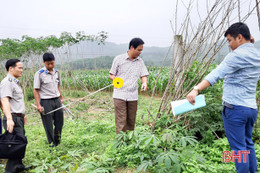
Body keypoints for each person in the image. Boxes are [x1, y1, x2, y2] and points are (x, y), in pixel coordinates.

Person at [186, 22, 259, 173]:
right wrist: (249, 43)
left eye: (230, 40)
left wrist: (196, 89)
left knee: (238, 150)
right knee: (248, 144)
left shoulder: (236, 56)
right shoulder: (256, 54)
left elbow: (216, 74)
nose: (229, 45)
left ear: (239, 37)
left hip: (235, 109)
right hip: (251, 109)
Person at [109, 38, 149, 134]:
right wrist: (115, 79)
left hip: (133, 95)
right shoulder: (119, 59)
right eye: (139, 50)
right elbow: (111, 74)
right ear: (132, 47)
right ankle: (121, 143)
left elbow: (143, 75)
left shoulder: (140, 61)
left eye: (141, 50)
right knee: (121, 120)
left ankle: (130, 141)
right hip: (120, 94)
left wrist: (144, 83)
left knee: (131, 120)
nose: (140, 52)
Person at [0, 59, 29, 173]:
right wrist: (10, 118)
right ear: (11, 68)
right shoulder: (7, 82)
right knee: (14, 145)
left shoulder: (14, 82)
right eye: (19, 68)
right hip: (13, 118)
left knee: (19, 142)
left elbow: (15, 102)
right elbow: (4, 100)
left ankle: (19, 166)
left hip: (18, 117)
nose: (22, 70)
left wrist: (22, 115)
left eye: (22, 68)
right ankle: (10, 170)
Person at [33, 52, 64, 147]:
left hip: (57, 100)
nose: (50, 66)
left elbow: (58, 87)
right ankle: (52, 146)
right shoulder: (39, 74)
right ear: (44, 62)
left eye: (52, 63)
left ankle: (57, 141)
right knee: (48, 125)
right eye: (48, 64)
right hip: (46, 102)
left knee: (59, 123)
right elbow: (36, 90)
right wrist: (38, 105)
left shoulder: (57, 72)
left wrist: (61, 99)